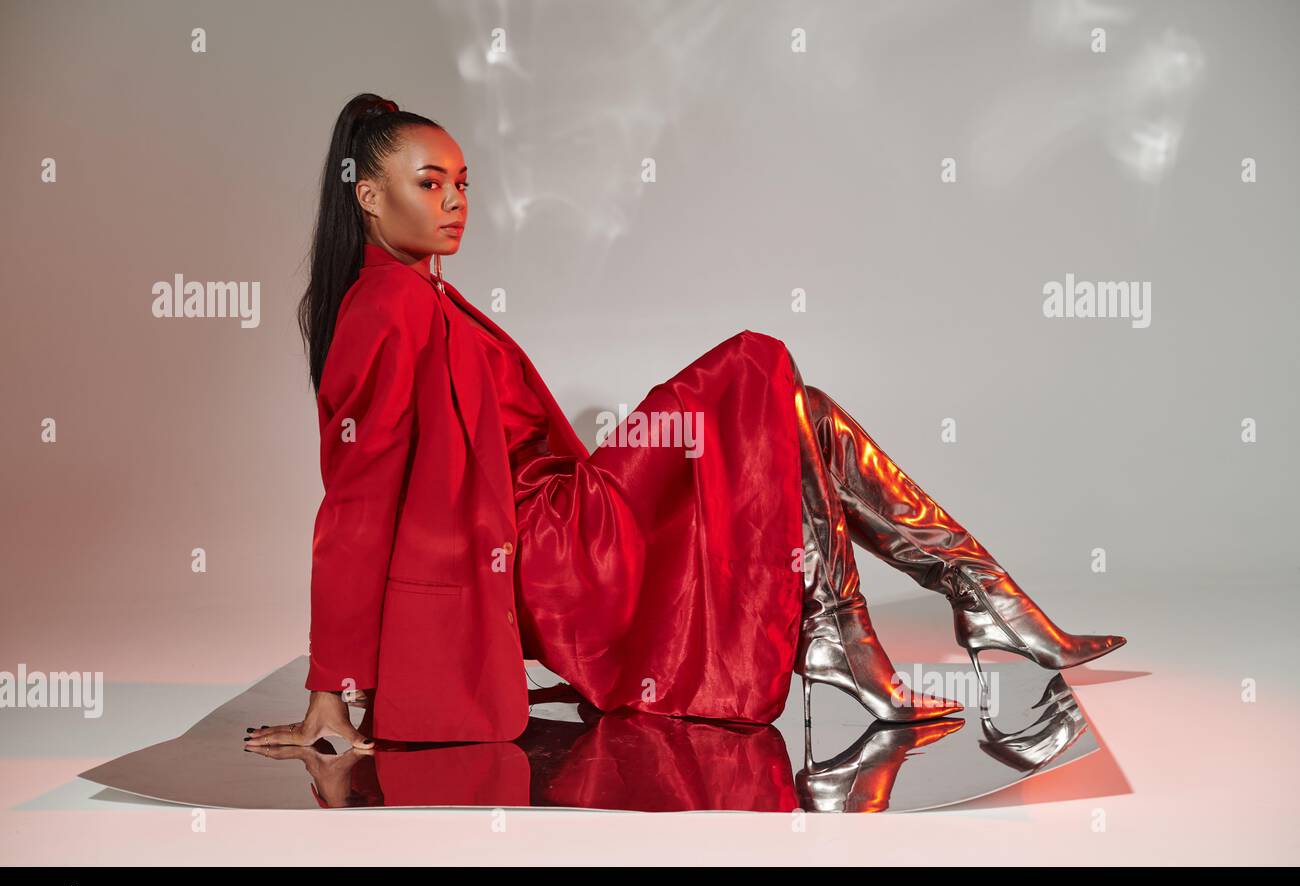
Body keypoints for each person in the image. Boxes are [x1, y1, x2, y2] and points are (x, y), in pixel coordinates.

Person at [244, 94, 1126, 752]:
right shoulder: (384, 313)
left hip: (563, 516)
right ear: (367, 197)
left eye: (463, 184)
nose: (454, 202)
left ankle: (951, 605)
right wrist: (336, 688)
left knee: (796, 411)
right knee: (756, 367)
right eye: (428, 184)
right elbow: (356, 510)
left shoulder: (422, 293)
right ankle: (928, 617)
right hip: (544, 551)